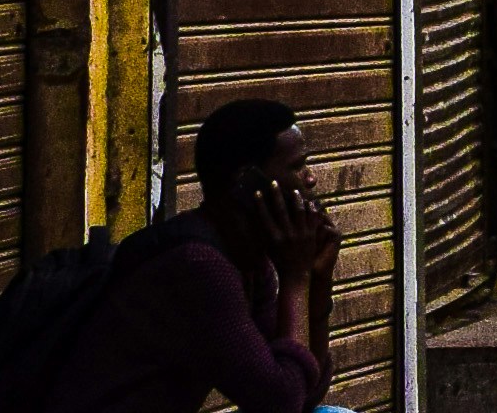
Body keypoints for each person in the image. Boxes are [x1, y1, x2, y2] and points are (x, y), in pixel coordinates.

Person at [49, 96, 341, 413]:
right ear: (247, 183)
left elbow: (305, 394)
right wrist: (296, 277)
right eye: (297, 166)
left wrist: (318, 280)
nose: (310, 178)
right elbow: (281, 403)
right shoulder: (196, 266)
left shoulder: (246, 259)